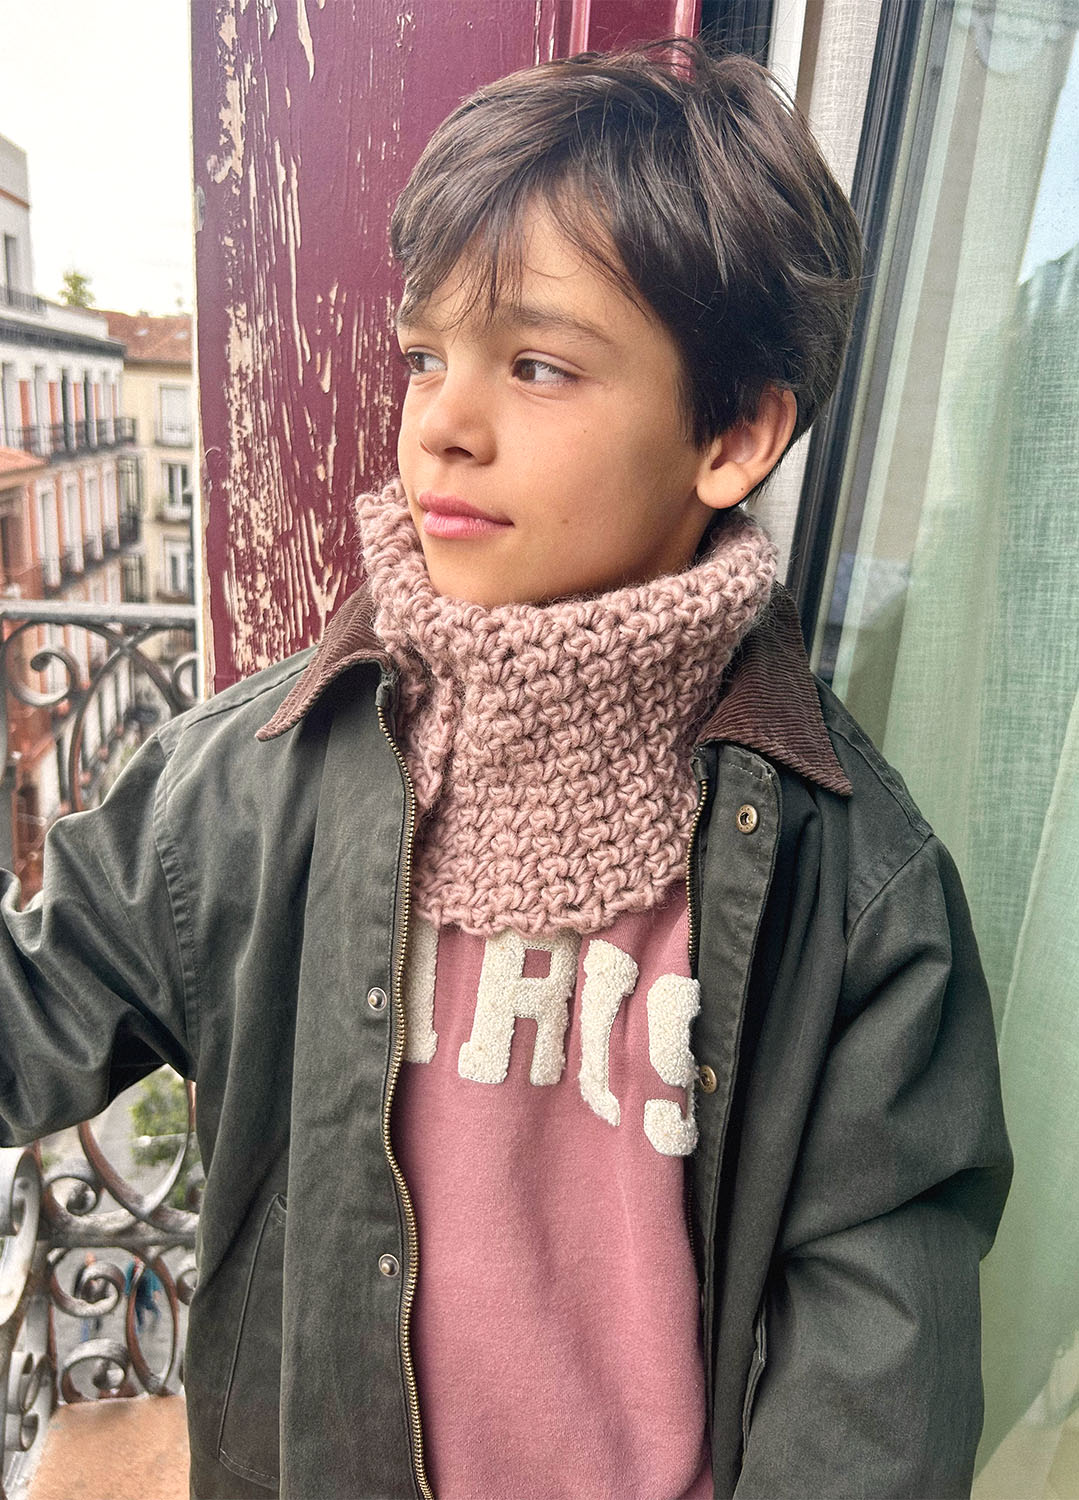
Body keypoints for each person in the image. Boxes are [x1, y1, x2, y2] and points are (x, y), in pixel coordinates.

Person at [0, 39, 1010, 1500]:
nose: (443, 423)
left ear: (734, 435)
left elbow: (876, 1381)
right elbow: (35, 1001)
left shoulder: (852, 892)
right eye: (426, 356)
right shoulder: (254, 786)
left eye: (538, 366)